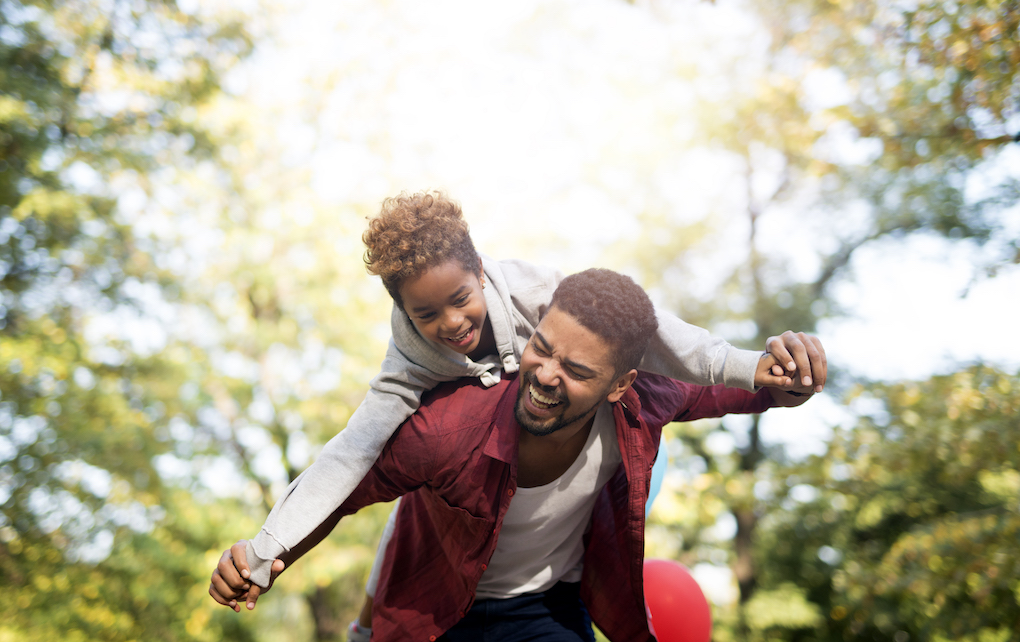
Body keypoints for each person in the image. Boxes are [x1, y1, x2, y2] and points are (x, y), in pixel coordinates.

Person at [210, 268, 825, 641]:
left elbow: (751, 390)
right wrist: (265, 557)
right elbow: (346, 485)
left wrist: (794, 375)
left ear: (620, 385)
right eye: (543, 348)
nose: (546, 375)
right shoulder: (446, 429)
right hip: (437, 612)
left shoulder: (649, 400)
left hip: (544, 610)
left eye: (576, 370)